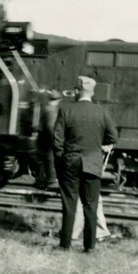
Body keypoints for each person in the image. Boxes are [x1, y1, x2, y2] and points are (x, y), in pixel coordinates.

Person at [53, 76, 118, 253]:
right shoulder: (101, 112)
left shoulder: (66, 110)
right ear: (92, 92)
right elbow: (113, 137)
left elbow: (57, 140)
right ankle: (89, 247)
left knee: (69, 205)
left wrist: (60, 161)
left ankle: (64, 245)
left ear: (77, 91)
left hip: (70, 163)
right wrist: (99, 146)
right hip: (92, 163)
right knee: (91, 206)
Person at [34, 90, 63, 189]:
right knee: (50, 159)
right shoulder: (52, 110)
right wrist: (55, 140)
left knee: (42, 160)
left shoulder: (44, 108)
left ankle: (40, 181)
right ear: (59, 100)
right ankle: (51, 181)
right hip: (49, 139)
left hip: (41, 138)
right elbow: (51, 126)